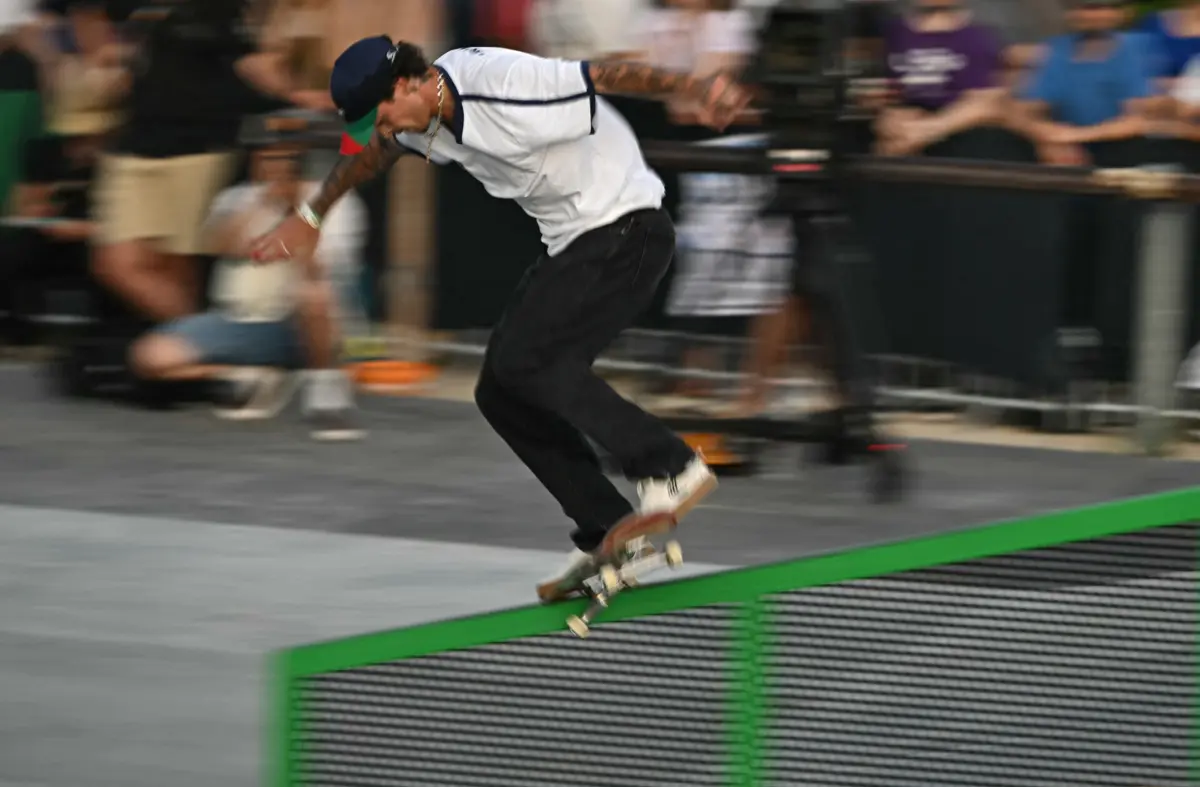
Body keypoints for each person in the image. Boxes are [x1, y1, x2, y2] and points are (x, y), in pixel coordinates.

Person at [250, 38, 749, 600]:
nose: (386, 131)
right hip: (578, 242)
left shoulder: (501, 82)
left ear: (407, 84)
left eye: (383, 117)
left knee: (534, 363)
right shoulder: (413, 120)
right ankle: (610, 530)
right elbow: (369, 152)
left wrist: (695, 89)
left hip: (628, 228)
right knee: (499, 389)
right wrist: (313, 212)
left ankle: (671, 468)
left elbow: (607, 74)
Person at [129, 138, 366, 439]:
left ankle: (326, 393)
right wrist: (265, 203)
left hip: (308, 325)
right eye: (267, 158)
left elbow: (319, 269)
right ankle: (249, 372)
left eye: (286, 160)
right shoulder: (236, 199)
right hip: (242, 320)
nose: (276, 168)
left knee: (314, 294)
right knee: (150, 358)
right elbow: (221, 244)